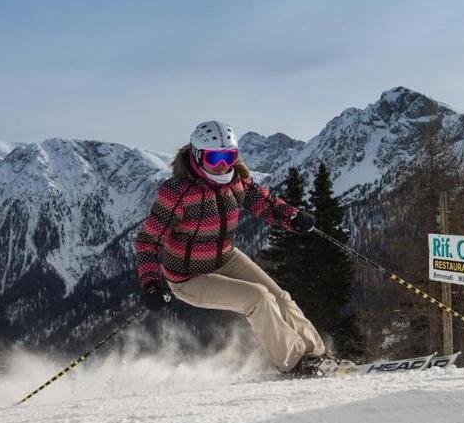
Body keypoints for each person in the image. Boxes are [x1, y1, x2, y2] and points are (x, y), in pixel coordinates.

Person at [134, 120, 341, 377]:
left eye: (228, 157)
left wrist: (292, 217)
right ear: (197, 156)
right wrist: (152, 283)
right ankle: (296, 363)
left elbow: (266, 204)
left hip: (224, 256)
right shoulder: (177, 193)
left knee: (280, 297)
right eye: (214, 158)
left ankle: (317, 355)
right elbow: (147, 241)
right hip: (188, 276)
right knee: (258, 298)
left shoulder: (237, 181)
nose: (222, 165)